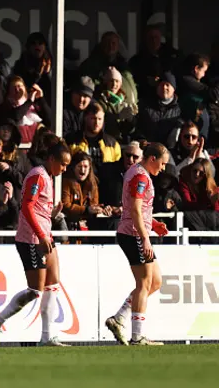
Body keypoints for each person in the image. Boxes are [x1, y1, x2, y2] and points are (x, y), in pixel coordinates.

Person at [0, 137, 71, 347]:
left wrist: (51, 214)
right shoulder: (38, 176)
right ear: (51, 159)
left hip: (43, 236)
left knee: (53, 283)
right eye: (63, 163)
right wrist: (41, 235)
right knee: (35, 290)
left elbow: (38, 209)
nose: (65, 169)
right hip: (31, 239)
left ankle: (47, 336)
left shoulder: (48, 177)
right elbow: (27, 207)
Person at [105, 143, 170, 346]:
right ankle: (137, 337)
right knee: (144, 283)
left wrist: (154, 224)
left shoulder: (138, 173)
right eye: (162, 163)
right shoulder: (141, 176)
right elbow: (134, 210)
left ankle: (119, 318)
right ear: (152, 159)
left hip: (135, 232)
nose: (163, 168)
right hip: (133, 234)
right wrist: (145, 237)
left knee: (156, 281)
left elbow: (137, 210)